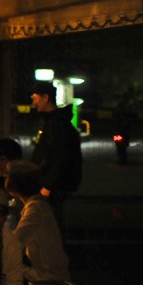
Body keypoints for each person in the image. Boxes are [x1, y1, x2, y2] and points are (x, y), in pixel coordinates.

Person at [6, 160, 70, 282]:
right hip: (48, 273)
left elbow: (16, 240)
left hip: (48, 277)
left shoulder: (35, 208)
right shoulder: (37, 204)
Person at [30, 81, 82, 228]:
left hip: (52, 187)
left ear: (45, 98)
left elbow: (60, 156)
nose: (34, 103)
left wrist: (48, 185)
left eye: (35, 98)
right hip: (49, 184)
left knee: (50, 224)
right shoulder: (51, 121)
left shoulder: (57, 124)